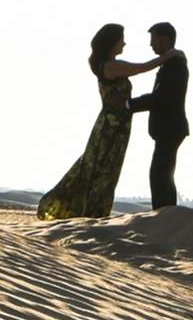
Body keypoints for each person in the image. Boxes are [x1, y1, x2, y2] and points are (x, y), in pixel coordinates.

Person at [35, 23, 168, 220]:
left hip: (118, 126)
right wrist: (168, 56)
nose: (124, 43)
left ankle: (92, 213)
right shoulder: (110, 66)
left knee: (105, 171)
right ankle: (88, 214)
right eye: (121, 40)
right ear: (112, 42)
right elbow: (141, 68)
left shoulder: (108, 63)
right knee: (100, 171)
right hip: (110, 127)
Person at [125, 22, 187, 210]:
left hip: (170, 128)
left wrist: (129, 105)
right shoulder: (171, 63)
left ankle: (165, 215)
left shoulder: (174, 65)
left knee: (160, 175)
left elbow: (160, 98)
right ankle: (166, 215)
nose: (151, 45)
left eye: (153, 40)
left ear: (164, 39)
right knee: (163, 174)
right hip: (169, 129)